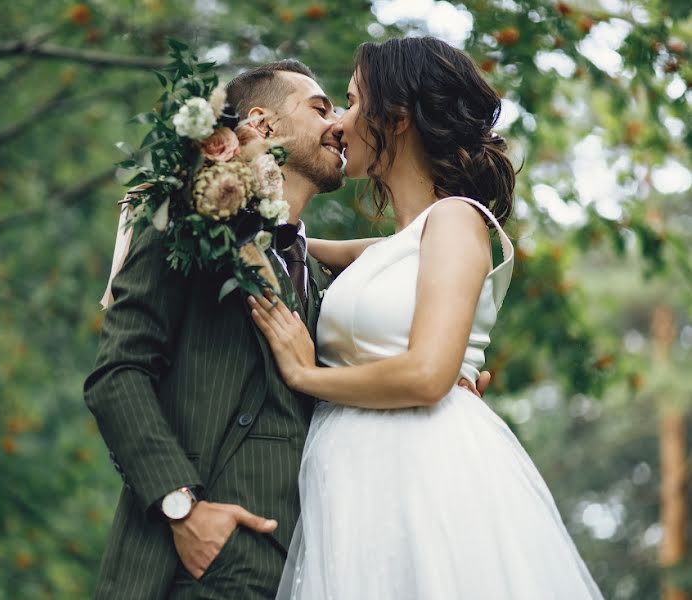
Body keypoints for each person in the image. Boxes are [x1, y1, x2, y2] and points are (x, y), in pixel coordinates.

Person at [86, 57, 491, 598]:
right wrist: (182, 508)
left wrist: (445, 394)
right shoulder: (188, 221)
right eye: (321, 107)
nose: (340, 123)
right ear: (263, 124)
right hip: (193, 562)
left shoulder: (333, 283)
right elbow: (117, 371)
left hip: (317, 565)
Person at [248, 37, 604, 599]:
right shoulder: (395, 248)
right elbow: (299, 244)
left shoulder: (459, 222)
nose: (340, 122)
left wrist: (307, 374)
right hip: (348, 476)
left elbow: (428, 375)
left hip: (423, 466)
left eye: (352, 101)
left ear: (398, 117)